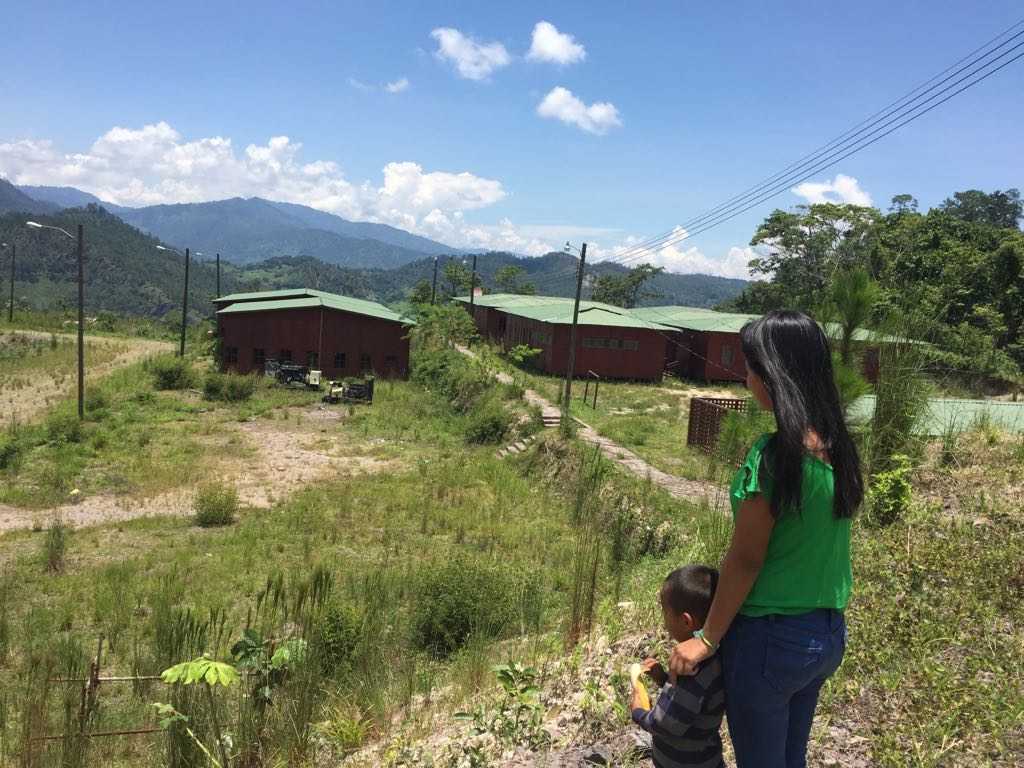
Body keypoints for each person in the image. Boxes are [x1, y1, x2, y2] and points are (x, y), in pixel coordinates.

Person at [669, 310, 863, 768]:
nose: (747, 376)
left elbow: (746, 559)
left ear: (775, 374)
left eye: (752, 366)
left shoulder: (776, 456)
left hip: (769, 641)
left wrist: (706, 638)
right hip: (826, 633)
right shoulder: (836, 450)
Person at [631, 564, 725, 768]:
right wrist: (662, 679)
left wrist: (638, 712)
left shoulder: (694, 670)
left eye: (665, 612)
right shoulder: (712, 658)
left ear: (685, 621)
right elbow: (687, 705)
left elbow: (667, 723)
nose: (664, 619)